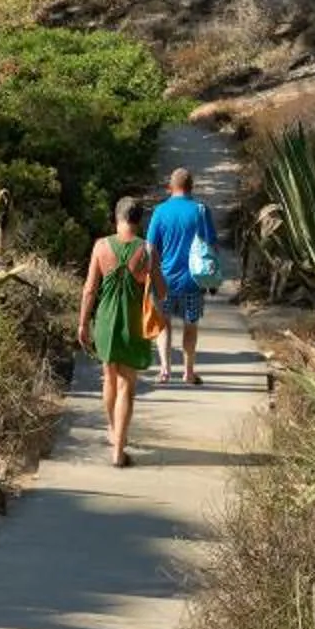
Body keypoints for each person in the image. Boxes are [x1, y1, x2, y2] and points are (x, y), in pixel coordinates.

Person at [78, 195, 160, 466]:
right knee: (127, 385)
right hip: (133, 324)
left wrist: (82, 323)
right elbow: (162, 289)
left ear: (117, 217)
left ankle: (114, 433)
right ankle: (118, 451)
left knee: (109, 378)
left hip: (105, 321)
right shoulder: (147, 249)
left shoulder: (101, 246)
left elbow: (90, 289)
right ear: (139, 220)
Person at [144, 166, 218, 385]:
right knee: (190, 326)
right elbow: (211, 244)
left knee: (164, 326)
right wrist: (212, 277)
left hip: (164, 281)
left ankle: (165, 371)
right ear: (191, 187)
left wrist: (150, 274)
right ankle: (188, 372)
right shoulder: (201, 210)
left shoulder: (160, 211)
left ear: (170, 187)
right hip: (193, 282)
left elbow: (150, 247)